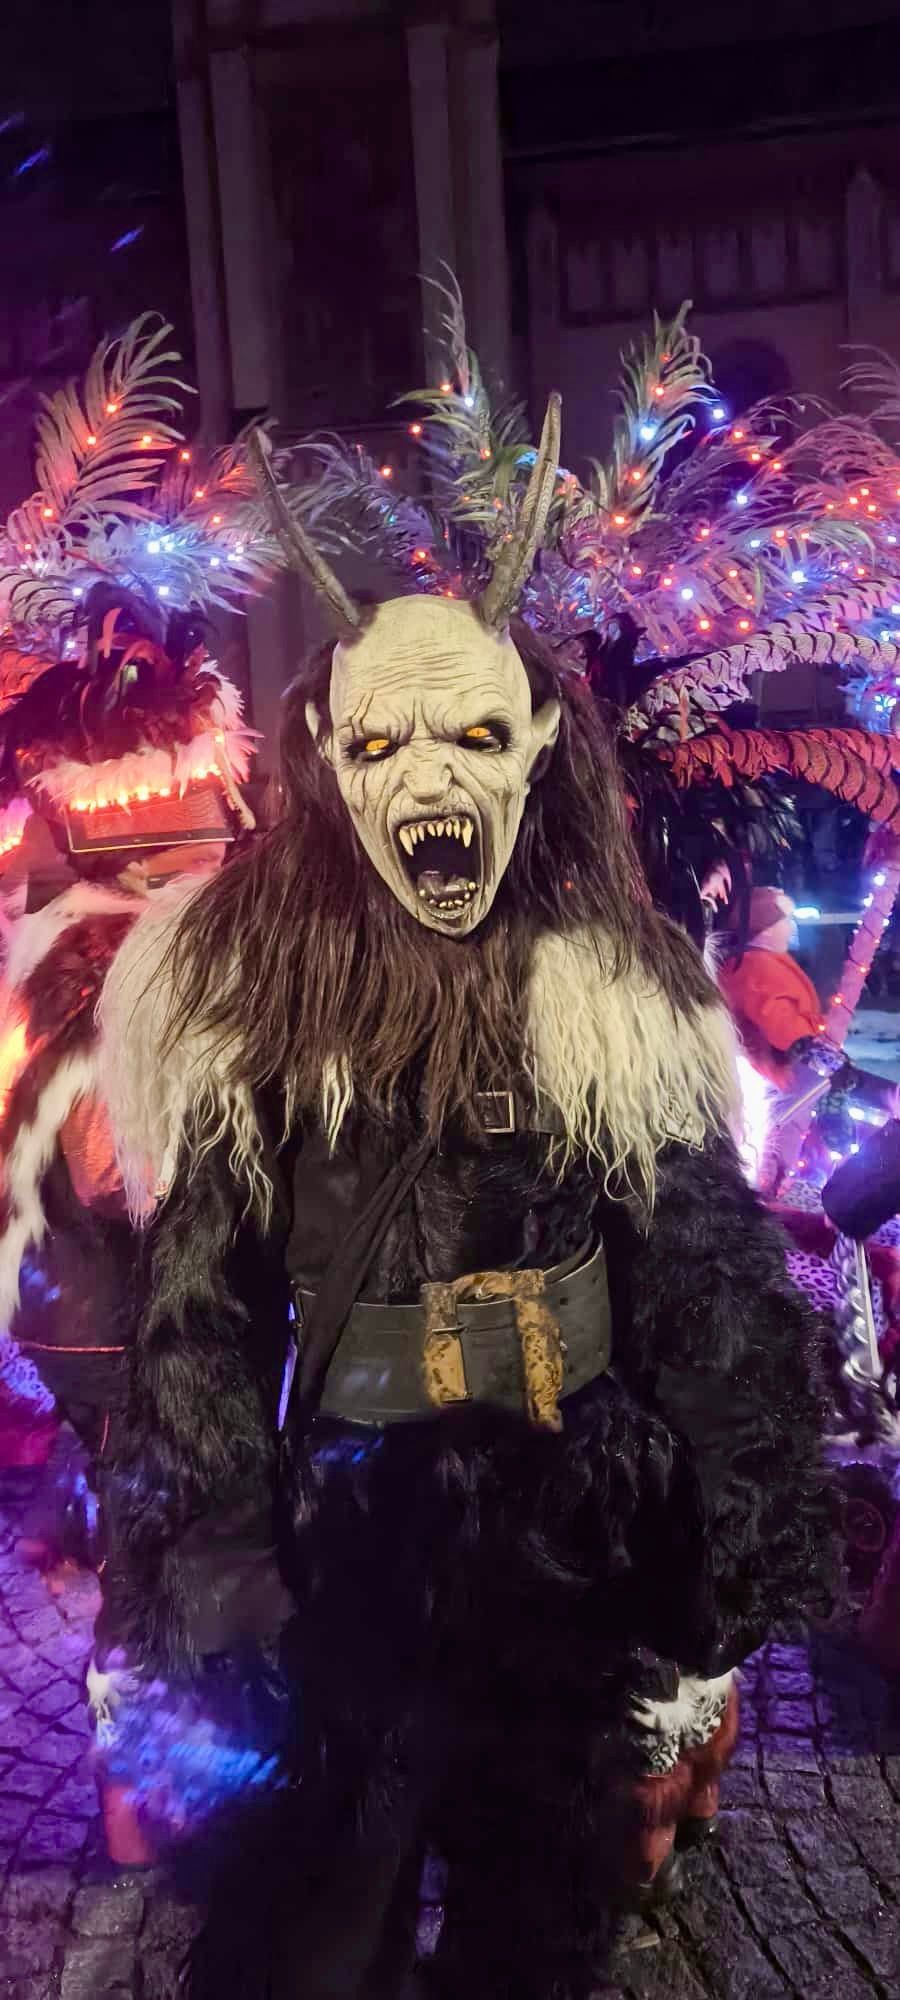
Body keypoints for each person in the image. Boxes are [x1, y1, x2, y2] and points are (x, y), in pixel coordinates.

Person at [95, 419, 835, 1998]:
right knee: (319, 1927)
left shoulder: (608, 987)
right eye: (384, 746)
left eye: (473, 737)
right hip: (346, 1542)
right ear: (328, 754)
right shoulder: (254, 992)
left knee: (537, 1929)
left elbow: (700, 1268)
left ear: (537, 745)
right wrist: (221, 1570)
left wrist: (727, 1543)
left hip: (568, 1525)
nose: (429, 778)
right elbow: (199, 1312)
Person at [0, 583, 256, 1861]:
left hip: (93, 1315)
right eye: (207, 844)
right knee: (162, 1548)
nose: (230, 852)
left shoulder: (70, 951)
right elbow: (119, 1171)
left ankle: (150, 1787)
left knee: (152, 1532)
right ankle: (141, 1802)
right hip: (127, 1320)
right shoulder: (116, 971)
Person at [719, 885, 822, 1086]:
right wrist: (816, 1046)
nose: (792, 928)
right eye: (787, 921)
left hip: (783, 1073)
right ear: (766, 930)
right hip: (776, 1079)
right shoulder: (754, 970)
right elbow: (786, 1032)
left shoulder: (764, 960)